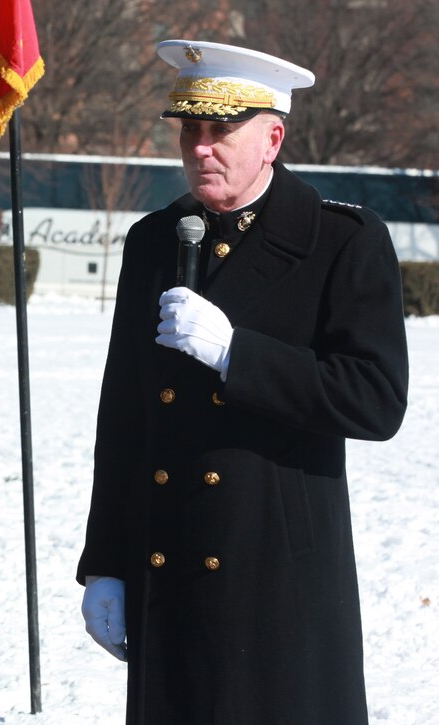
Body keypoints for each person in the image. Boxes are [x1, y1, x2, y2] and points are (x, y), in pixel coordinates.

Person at [76, 39, 409, 725]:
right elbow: (125, 417)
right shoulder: (153, 242)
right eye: (189, 130)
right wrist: (106, 561)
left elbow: (376, 398)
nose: (200, 148)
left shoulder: (341, 241)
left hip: (277, 576)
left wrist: (237, 355)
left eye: (220, 131)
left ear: (272, 140)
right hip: (170, 564)